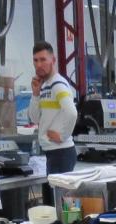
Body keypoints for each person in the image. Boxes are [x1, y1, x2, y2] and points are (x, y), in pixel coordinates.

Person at [28, 41, 77, 205]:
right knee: (52, 205)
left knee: (60, 206)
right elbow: (35, 118)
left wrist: (62, 134)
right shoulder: (45, 86)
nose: (38, 65)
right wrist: (35, 94)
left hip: (61, 153)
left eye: (43, 59)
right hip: (53, 153)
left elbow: (72, 112)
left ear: (53, 60)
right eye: (35, 60)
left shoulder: (58, 84)